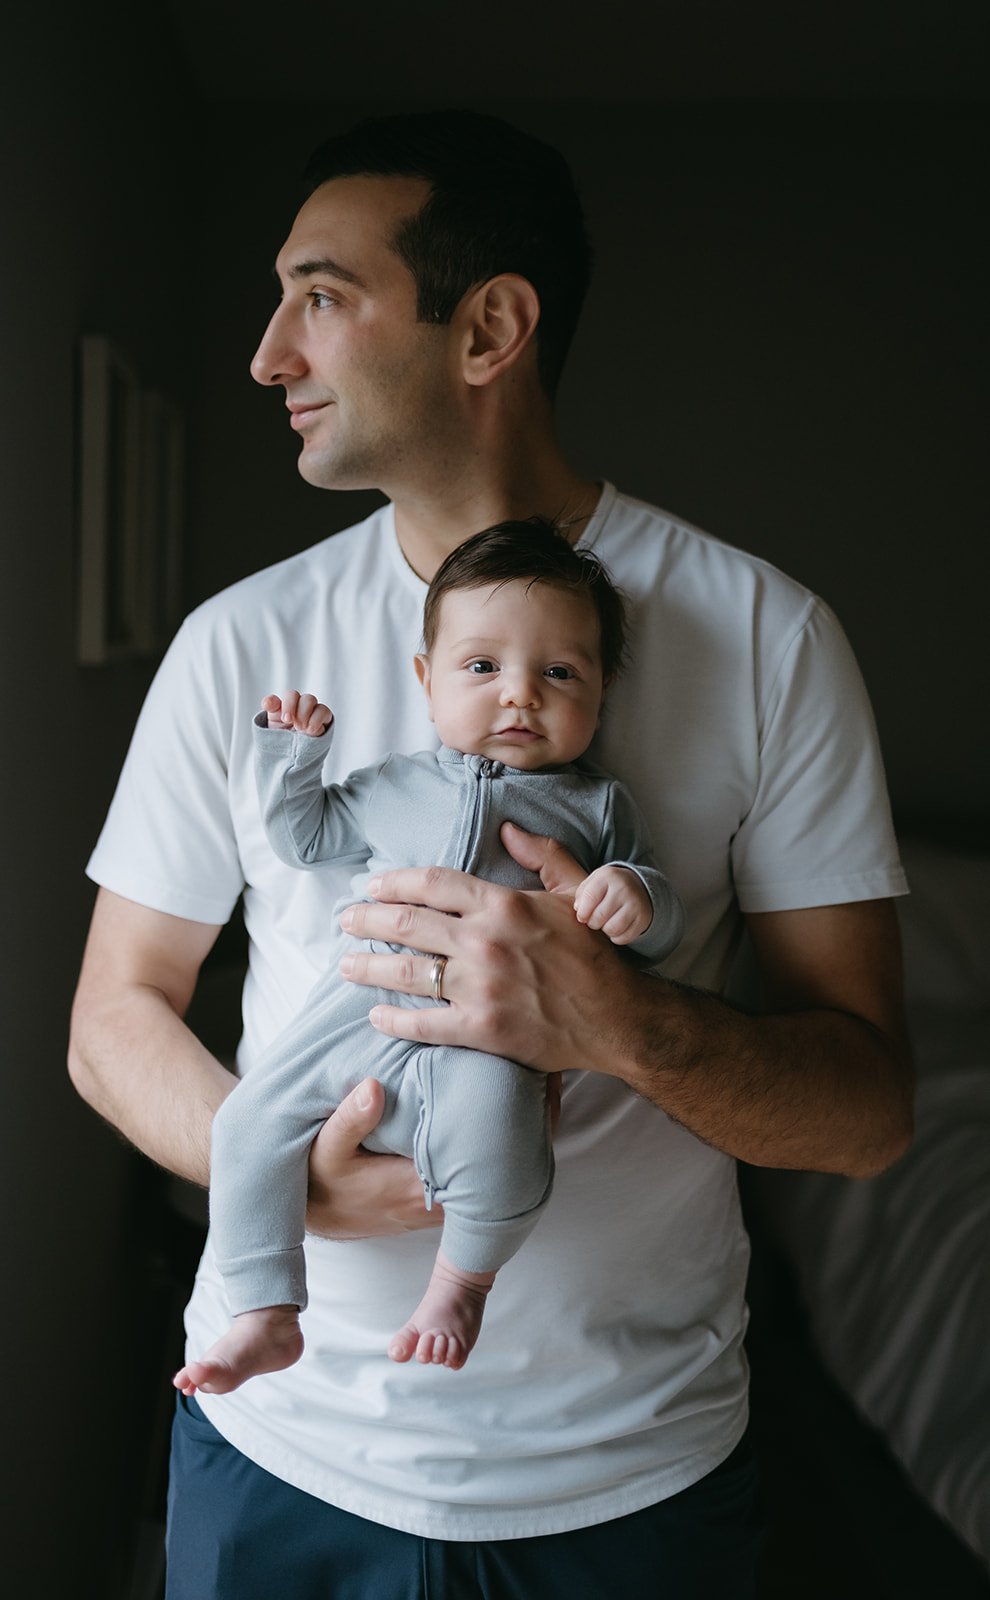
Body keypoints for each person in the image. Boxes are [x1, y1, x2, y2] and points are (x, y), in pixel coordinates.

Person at [69, 109, 912, 1599]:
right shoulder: (244, 651)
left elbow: (864, 1116)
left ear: (489, 328)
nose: (269, 354)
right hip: (279, 1459)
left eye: (322, 297)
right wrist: (294, 1179)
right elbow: (113, 1014)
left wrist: (621, 1018)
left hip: (629, 1487)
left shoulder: (766, 640)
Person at [174, 520, 684, 1394]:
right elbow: (304, 839)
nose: (520, 696)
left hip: (484, 1046)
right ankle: (263, 1309)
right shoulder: (393, 784)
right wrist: (296, 759)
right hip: (357, 1017)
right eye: (483, 668)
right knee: (246, 1122)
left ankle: (461, 1284)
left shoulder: (598, 806)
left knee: (506, 1140)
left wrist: (634, 896)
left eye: (559, 673)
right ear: (426, 680)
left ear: (603, 691)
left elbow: (659, 926)